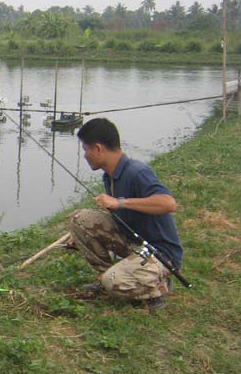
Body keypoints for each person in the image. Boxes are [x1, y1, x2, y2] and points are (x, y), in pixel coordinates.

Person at [66, 118, 183, 311]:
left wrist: (120, 202)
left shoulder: (137, 172)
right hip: (133, 243)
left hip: (161, 254)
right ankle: (108, 277)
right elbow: (123, 217)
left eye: (86, 150)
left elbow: (168, 203)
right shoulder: (110, 175)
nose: (85, 155)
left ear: (98, 148)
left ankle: (157, 288)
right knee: (79, 220)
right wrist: (80, 234)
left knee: (114, 282)